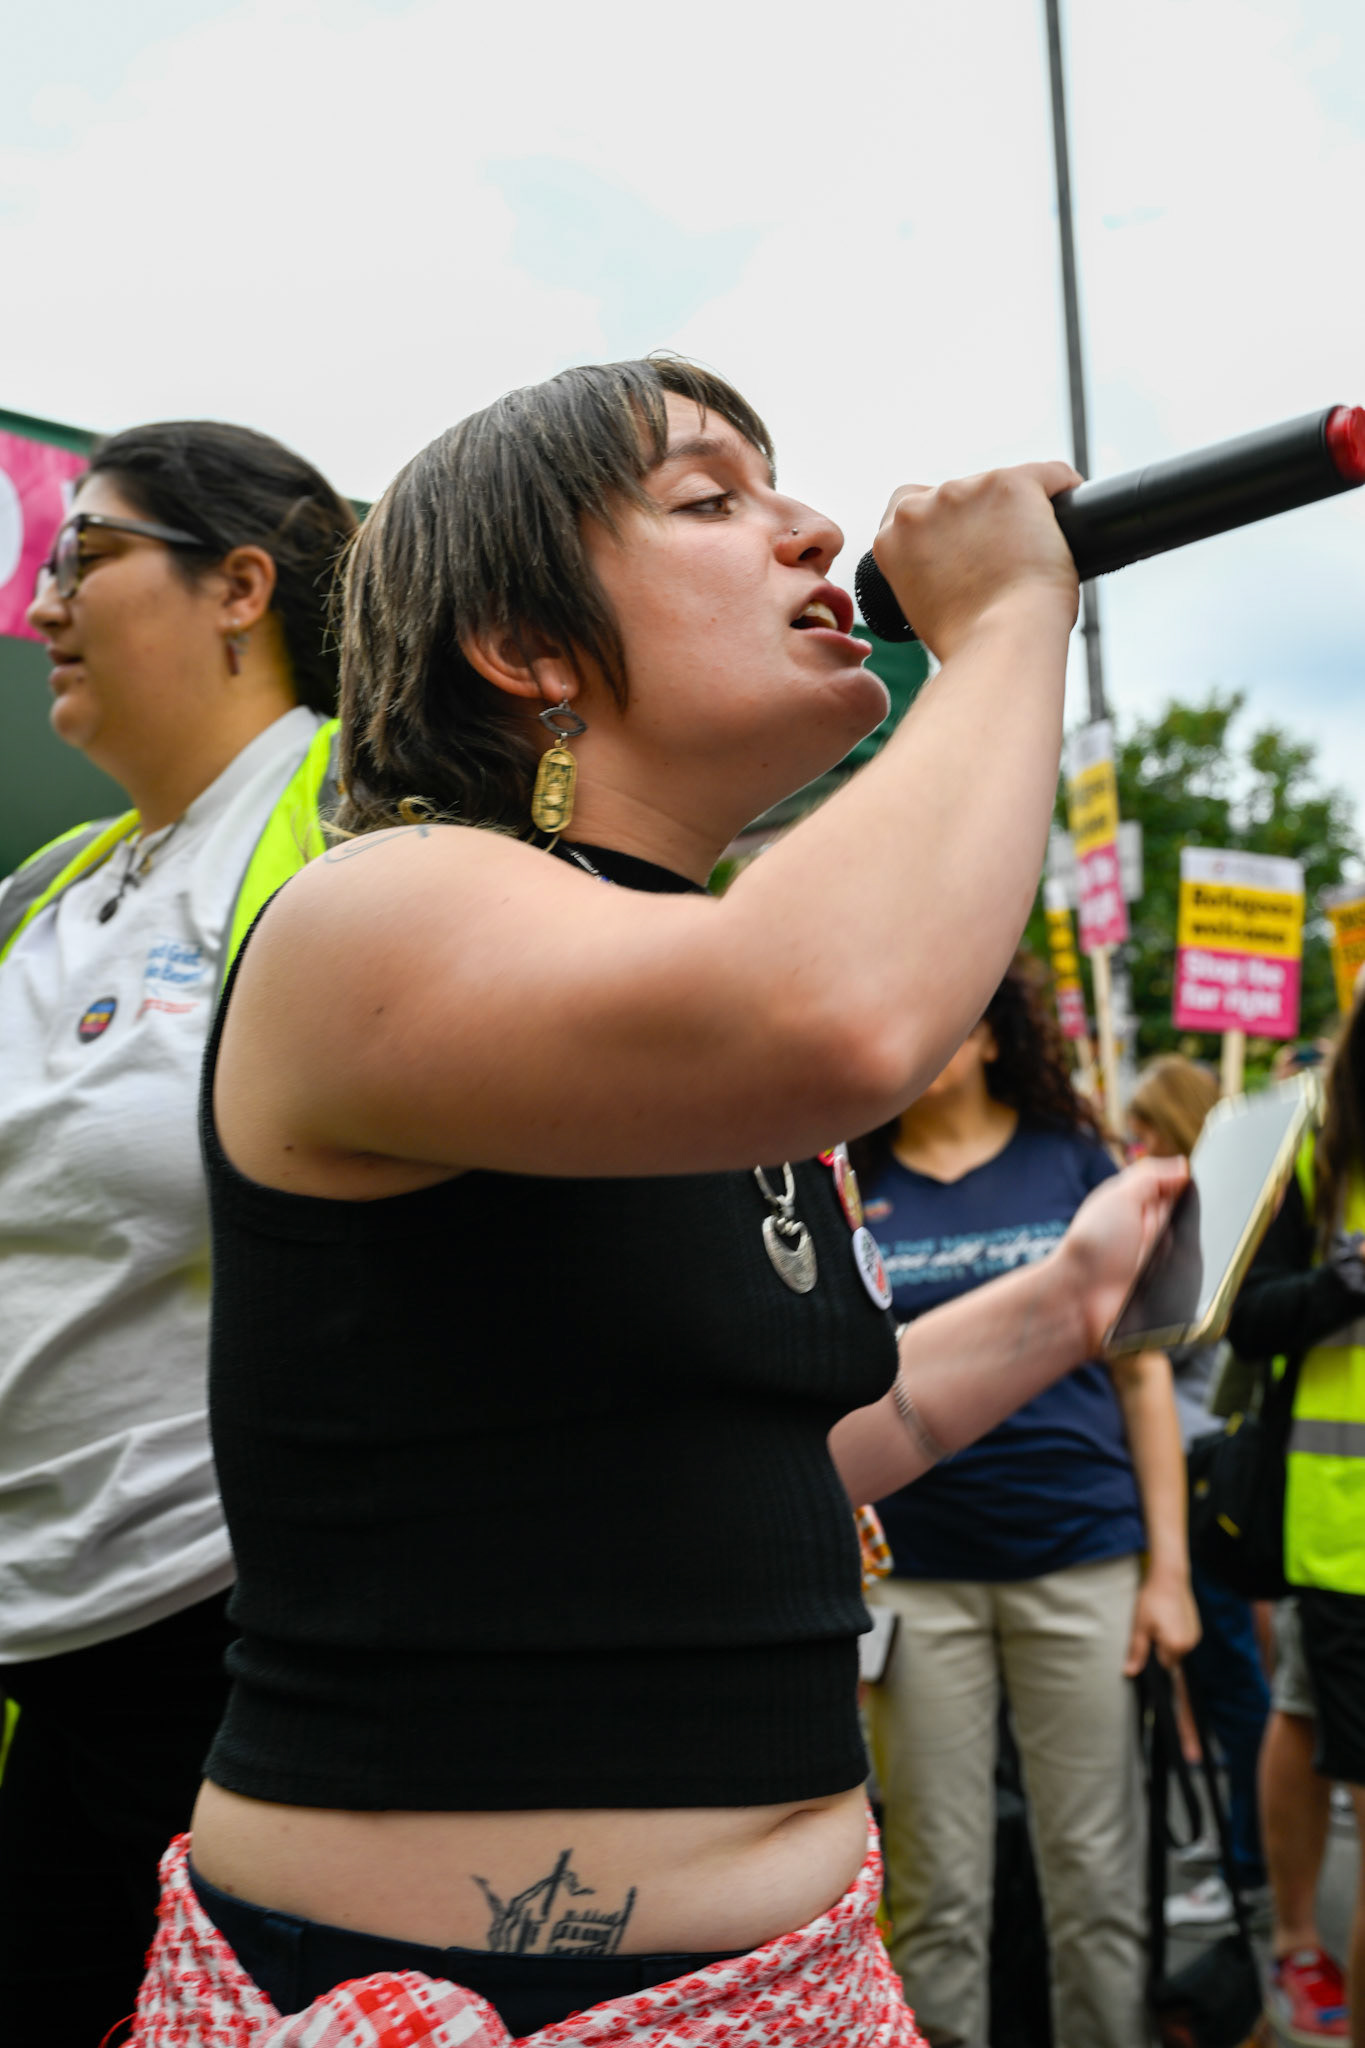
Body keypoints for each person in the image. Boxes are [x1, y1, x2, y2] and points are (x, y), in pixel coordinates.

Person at [131, 358, 1186, 2048]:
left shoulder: (687, 1007)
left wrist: (1066, 1300)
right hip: (459, 2000)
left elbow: (762, 1459)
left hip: (802, 1976)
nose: (816, 528)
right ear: (529, 648)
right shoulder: (378, 915)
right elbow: (840, 1010)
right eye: (713, 499)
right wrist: (1001, 630)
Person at [0, 421, 356, 2041]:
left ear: (241, 586)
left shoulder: (358, 830)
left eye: (85, 555)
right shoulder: (50, 886)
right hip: (35, 1647)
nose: (44, 602)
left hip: (233, 1652)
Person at [848, 956, 1197, 2048]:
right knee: (937, 1884)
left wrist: (1169, 1574)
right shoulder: (851, 1177)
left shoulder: (1076, 1163)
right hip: (918, 1581)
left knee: (1094, 1869)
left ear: (996, 1035)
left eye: (945, 1021)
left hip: (1081, 1560)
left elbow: (1145, 1377)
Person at [1228, 989, 1365, 2047]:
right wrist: (1343, 1283)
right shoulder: (1321, 1157)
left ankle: (1301, 1951)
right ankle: (1295, 1942)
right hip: (1339, 1535)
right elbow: (1246, 1314)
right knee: (1301, 1710)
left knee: (1303, 1709)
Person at [1126, 1055, 1274, 1933]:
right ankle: (1238, 1850)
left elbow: (1161, 1348)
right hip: (1202, 1460)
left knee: (1230, 1678)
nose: (1135, 1145)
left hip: (1195, 1465)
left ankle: (1244, 1862)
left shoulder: (1203, 1221)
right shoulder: (1217, 1209)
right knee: (1229, 1674)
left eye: (1146, 1129)